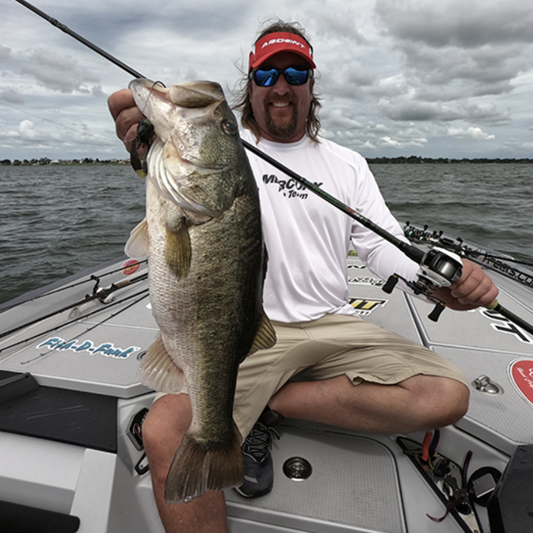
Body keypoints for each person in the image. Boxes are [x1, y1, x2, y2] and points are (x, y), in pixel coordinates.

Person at [108, 20, 498, 533]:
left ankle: (269, 401)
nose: (281, 85)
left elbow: (382, 245)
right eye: (266, 75)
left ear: (312, 86)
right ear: (250, 86)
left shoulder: (348, 164)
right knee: (165, 432)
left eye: (295, 71)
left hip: (334, 324)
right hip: (250, 332)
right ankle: (243, 405)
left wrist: (437, 283)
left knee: (447, 396)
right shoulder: (223, 149)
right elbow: (127, 107)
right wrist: (141, 134)